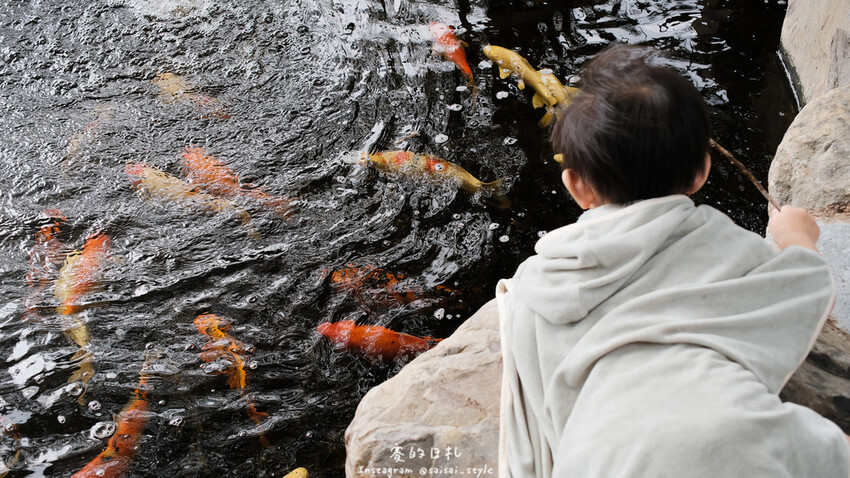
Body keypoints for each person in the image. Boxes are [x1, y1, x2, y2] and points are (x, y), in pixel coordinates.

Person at [496, 44, 850, 478]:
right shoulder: (723, 242)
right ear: (702, 171)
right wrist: (796, 236)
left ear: (575, 186)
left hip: (595, 460)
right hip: (730, 434)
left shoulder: (541, 278)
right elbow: (806, 291)